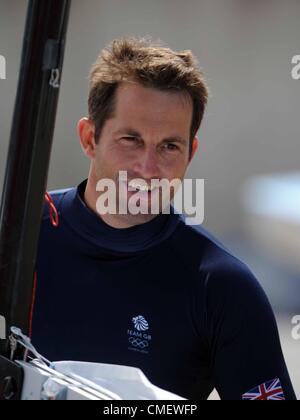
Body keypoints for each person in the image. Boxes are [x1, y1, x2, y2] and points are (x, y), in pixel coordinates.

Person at [32, 37, 296, 400]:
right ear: (89, 138)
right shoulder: (19, 238)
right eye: (131, 139)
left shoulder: (220, 287)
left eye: (169, 146)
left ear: (191, 153)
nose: (148, 168)